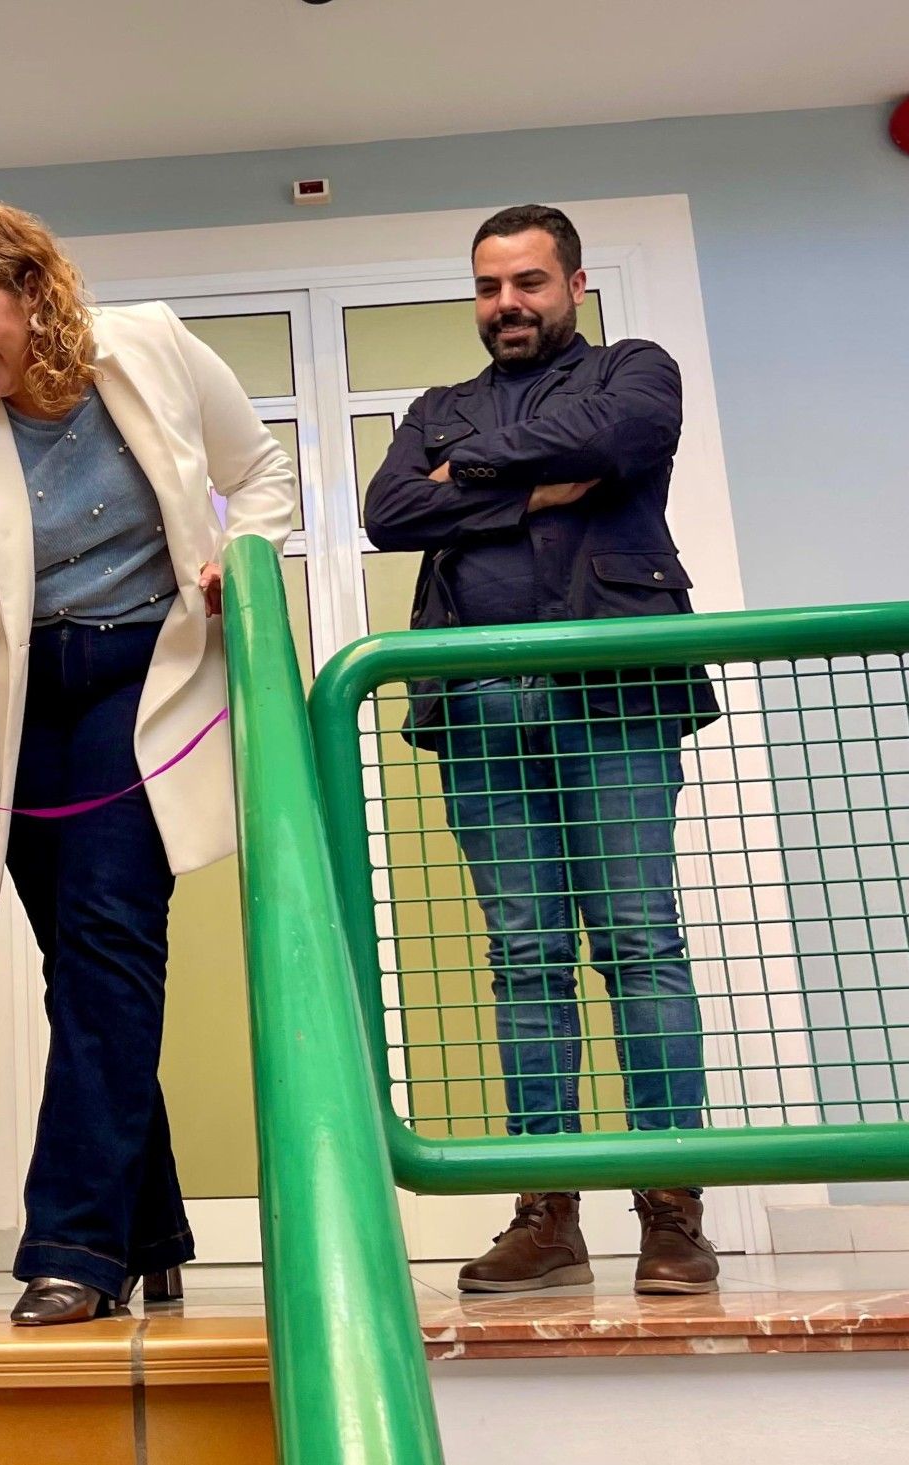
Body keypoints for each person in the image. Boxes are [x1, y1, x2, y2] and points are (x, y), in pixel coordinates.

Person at [0, 203, 296, 1325]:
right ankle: (153, 1226)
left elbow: (261, 474)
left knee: (113, 937)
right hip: (30, 710)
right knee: (80, 971)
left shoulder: (152, 344)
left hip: (141, 677)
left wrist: (238, 559)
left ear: (32, 289)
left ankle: (75, 1244)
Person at [365, 204, 721, 1296]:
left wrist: (463, 477)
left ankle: (672, 1212)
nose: (507, 303)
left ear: (571, 284)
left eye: (528, 282)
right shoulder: (435, 405)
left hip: (614, 690)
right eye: (488, 286)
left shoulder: (634, 369)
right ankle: (546, 1210)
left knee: (638, 941)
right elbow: (386, 513)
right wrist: (523, 483)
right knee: (523, 954)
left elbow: (616, 444)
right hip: (479, 701)